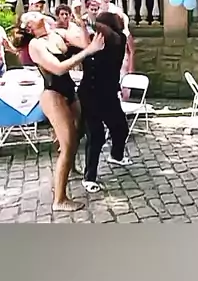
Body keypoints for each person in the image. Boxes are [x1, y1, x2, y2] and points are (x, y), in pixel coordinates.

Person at [11, 11, 104, 211]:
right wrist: (89, 51)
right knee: (68, 145)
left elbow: (85, 44)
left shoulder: (57, 34)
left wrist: (80, 23)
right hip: (53, 95)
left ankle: (70, 167)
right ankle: (59, 200)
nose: (36, 13)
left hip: (69, 91)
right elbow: (59, 68)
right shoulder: (36, 45)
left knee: (77, 134)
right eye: (31, 15)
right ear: (29, 27)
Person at [78, 11, 130, 193]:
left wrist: (90, 23)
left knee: (121, 128)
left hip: (108, 94)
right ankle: (89, 177)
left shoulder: (118, 39)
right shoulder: (93, 42)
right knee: (96, 135)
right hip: (89, 95)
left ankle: (116, 156)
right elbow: (84, 49)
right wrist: (83, 27)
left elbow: (107, 33)